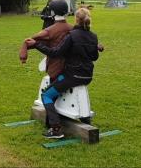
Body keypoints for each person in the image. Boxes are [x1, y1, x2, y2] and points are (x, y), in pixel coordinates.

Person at [25, 8, 104, 139]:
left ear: (76, 19)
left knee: (46, 96)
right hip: (88, 76)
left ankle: (56, 129)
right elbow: (94, 57)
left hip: (72, 76)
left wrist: (37, 44)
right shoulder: (93, 36)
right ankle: (85, 121)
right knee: (57, 90)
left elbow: (55, 52)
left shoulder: (71, 36)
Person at [20, 0, 73, 84]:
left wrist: (23, 56)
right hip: (71, 69)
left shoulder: (49, 31)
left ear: (52, 12)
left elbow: (29, 41)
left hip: (56, 70)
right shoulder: (73, 28)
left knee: (49, 95)